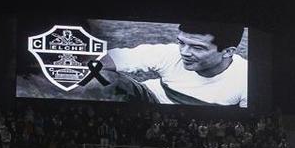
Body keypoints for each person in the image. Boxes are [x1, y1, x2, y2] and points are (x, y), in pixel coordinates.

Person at [101, 22, 248, 107]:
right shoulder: (170, 53)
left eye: (197, 47)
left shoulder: (246, 79)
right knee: (101, 76)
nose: (184, 52)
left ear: (228, 51)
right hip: (150, 100)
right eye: (181, 43)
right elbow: (109, 59)